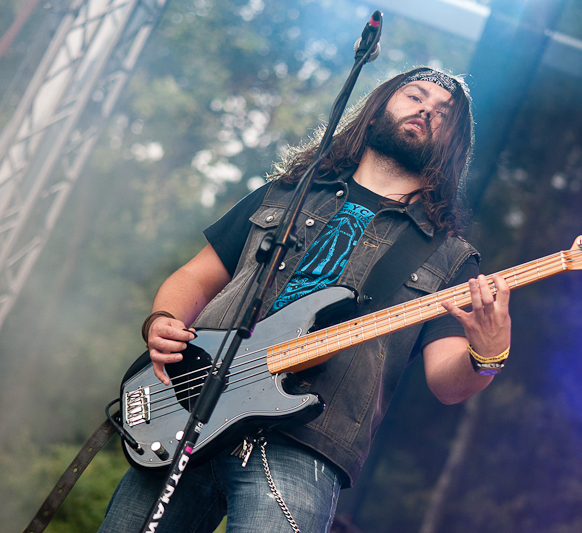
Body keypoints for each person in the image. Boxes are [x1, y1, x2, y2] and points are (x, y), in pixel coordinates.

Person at [99, 66, 511, 533]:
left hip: (309, 444)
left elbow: (447, 381)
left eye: (444, 114)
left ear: (453, 145)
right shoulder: (288, 192)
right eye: (414, 96)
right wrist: (164, 320)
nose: (426, 111)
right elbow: (196, 275)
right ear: (376, 110)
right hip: (193, 402)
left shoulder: (451, 256)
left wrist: (488, 354)